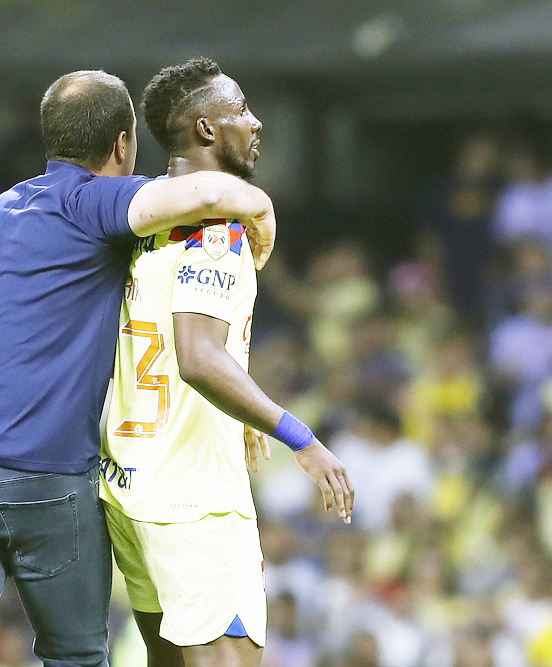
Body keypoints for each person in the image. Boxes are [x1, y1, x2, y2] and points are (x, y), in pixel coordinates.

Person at [0, 69, 278, 667]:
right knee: (76, 656)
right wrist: (259, 207)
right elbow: (208, 195)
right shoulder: (95, 202)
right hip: (41, 476)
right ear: (124, 146)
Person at [99, 57, 354, 667]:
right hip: (196, 499)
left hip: (129, 484)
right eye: (240, 110)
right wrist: (299, 435)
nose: (256, 122)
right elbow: (197, 356)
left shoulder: (134, 224)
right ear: (208, 130)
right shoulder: (220, 229)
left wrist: (235, 406)